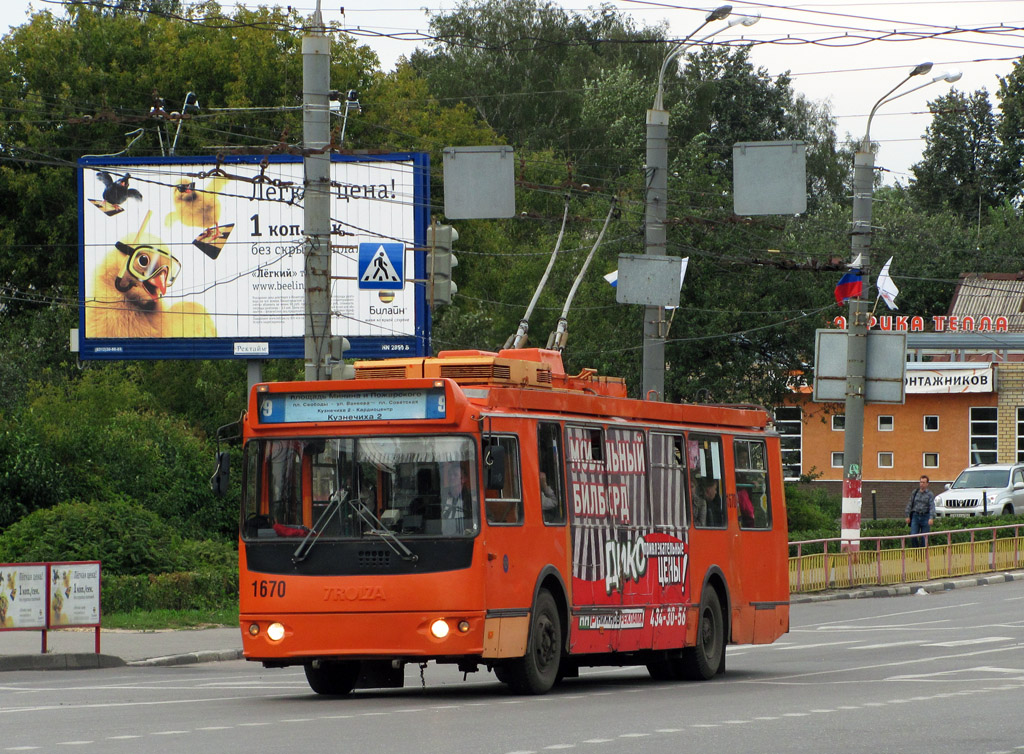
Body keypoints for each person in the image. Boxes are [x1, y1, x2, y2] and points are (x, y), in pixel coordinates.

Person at [440, 462, 472, 535]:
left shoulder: (472, 500)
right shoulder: (441, 497)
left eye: (455, 475)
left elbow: (488, 518)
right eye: (450, 475)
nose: (451, 477)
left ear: (463, 479)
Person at [905, 475, 936, 548]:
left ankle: (923, 555)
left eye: (923, 482)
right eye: (921, 482)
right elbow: (910, 503)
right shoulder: (915, 492)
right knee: (913, 536)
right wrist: (907, 516)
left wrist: (931, 518)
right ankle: (916, 552)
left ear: (927, 484)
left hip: (925, 516)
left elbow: (932, 506)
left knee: (924, 538)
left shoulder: (930, 494)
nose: (922, 484)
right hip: (916, 516)